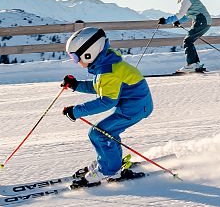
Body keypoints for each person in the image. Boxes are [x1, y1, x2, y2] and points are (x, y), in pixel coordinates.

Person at [61, 27, 153, 185]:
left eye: (75, 57)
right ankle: (110, 163)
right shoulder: (105, 65)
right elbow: (101, 87)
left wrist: (76, 111)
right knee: (106, 133)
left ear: (89, 53)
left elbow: (107, 101)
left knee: (99, 133)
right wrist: (76, 85)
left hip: (135, 107)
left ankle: (110, 170)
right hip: (132, 104)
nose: (75, 61)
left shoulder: (107, 70)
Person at [159, 0, 212, 74]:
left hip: (201, 21)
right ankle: (195, 64)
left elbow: (180, 14)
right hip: (204, 22)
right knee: (189, 41)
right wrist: (179, 22)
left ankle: (191, 64)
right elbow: (187, 16)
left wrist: (166, 21)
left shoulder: (186, 0)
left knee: (187, 41)